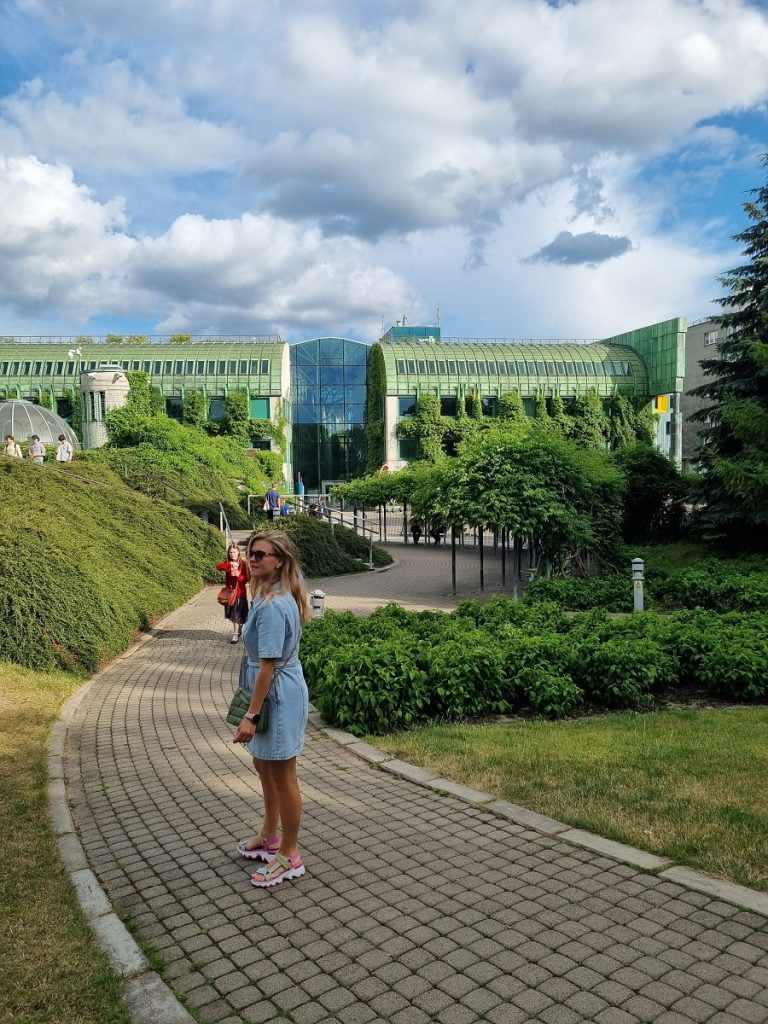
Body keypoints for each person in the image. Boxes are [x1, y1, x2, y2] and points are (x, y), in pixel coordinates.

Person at [233, 530, 311, 888]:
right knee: (263, 763)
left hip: (276, 694)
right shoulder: (270, 597)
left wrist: (251, 715)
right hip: (272, 689)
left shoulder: (274, 606)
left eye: (261, 554)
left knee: (283, 774)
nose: (254, 559)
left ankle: (290, 855)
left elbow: (267, 665)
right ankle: (270, 835)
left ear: (279, 561)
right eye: (252, 553)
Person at [216, 543, 250, 643]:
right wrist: (230, 564)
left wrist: (239, 576)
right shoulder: (227, 563)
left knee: (238, 614)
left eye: (234, 552)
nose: (232, 554)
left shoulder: (243, 564)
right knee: (233, 614)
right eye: (230, 552)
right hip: (230, 594)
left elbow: (248, 577)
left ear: (238, 552)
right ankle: (236, 631)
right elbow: (218, 567)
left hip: (240, 593)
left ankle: (237, 632)